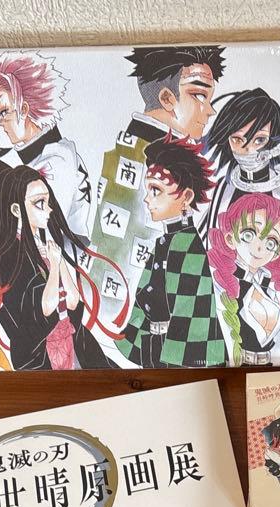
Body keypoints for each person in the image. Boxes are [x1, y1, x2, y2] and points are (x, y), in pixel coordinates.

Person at [87, 45, 225, 322]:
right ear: (166, 98)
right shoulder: (156, 164)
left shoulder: (129, 148)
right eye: (199, 95)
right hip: (130, 322)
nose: (209, 110)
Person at [0, 165, 114, 370]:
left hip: (71, 339)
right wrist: (55, 267)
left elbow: (73, 301)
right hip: (41, 354)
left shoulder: (46, 246)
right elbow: (44, 309)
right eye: (40, 203)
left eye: (47, 201)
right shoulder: (8, 257)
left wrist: (59, 261)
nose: (49, 209)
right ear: (16, 210)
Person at [116, 137, 227, 368]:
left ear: (186, 197)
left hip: (180, 360)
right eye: (148, 190)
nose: (147, 199)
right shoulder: (165, 242)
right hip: (156, 349)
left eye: (156, 190)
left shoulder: (189, 246)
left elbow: (191, 317)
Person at [0, 52, 92, 242]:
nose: (0, 122)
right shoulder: (53, 154)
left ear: (24, 109)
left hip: (63, 255)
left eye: (5, 112)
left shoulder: (55, 161)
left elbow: (44, 231)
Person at [202, 88, 280, 256]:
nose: (248, 150)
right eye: (237, 139)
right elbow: (206, 241)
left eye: (259, 140)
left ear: (272, 141)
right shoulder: (223, 189)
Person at [207, 192, 280, 364]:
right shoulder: (219, 286)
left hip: (271, 367)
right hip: (235, 368)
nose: (259, 247)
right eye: (249, 234)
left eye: (271, 242)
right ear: (230, 238)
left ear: (276, 253)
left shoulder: (269, 289)